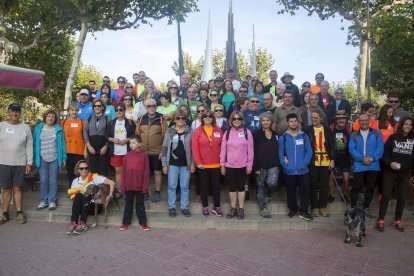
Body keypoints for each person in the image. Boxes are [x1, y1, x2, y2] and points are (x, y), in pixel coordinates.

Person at [377, 117, 414, 232]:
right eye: (405, 124)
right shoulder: (393, 138)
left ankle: (397, 220)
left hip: (405, 173)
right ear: (401, 125)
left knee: (402, 197)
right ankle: (381, 220)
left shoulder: (413, 139)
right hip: (390, 171)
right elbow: (384, 155)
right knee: (386, 195)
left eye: (410, 125)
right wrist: (390, 163)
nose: (407, 126)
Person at [0, 103, 33, 225]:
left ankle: (19, 213)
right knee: (6, 189)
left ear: (20, 113)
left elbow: (29, 145)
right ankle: (5, 213)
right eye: (12, 111)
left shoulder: (25, 127)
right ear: (8, 112)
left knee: (18, 188)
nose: (15, 114)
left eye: (17, 111)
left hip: (20, 162)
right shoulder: (1, 126)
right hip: (3, 162)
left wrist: (29, 162)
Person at [349, 114, 384, 218]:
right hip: (359, 164)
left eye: (365, 120)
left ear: (369, 121)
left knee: (370, 187)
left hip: (373, 165)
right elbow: (351, 149)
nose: (363, 122)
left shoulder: (377, 133)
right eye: (361, 121)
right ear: (358, 122)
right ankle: (353, 207)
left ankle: (366, 207)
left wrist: (371, 158)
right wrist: (362, 158)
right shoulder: (354, 134)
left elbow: (380, 148)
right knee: (356, 186)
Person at [279, 113, 313, 221]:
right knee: (290, 191)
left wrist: (304, 163)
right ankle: (293, 209)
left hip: (303, 170)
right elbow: (280, 153)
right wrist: (285, 165)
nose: (293, 123)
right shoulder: (283, 137)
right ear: (288, 123)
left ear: (298, 122)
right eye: (291, 121)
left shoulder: (303, 136)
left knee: (304, 191)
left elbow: (309, 151)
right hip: (289, 170)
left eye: (295, 121)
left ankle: (303, 211)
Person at [66, 160, 115, 235]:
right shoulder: (75, 181)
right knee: (79, 195)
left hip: (93, 206)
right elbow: (73, 198)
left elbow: (112, 183)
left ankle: (83, 224)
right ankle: (74, 222)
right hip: (80, 209)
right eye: (81, 168)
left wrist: (110, 195)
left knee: (87, 194)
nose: (84, 170)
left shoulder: (94, 177)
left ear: (88, 169)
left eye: (86, 168)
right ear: (78, 170)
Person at [220, 111, 254, 219]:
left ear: (242, 120)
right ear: (231, 121)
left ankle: (241, 209)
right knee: (232, 188)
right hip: (230, 165)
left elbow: (251, 150)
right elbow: (223, 150)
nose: (236, 120)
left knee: (241, 188)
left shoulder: (247, 132)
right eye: (234, 119)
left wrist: (250, 165)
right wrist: (222, 165)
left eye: (238, 118)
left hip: (243, 165)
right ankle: (233, 208)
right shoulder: (227, 133)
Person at [162, 111, 195, 218]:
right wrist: (164, 164)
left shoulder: (190, 131)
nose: (180, 120)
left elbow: (193, 149)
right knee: (172, 186)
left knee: (184, 186)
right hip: (172, 163)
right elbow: (165, 147)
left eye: (183, 118)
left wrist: (193, 164)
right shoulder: (170, 130)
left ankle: (184, 207)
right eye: (178, 118)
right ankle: (172, 207)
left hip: (186, 163)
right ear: (174, 119)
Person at [192, 110, 224, 217]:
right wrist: (198, 162)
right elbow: (195, 148)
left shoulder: (218, 130)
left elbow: (223, 147)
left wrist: (222, 162)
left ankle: (217, 207)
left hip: (216, 163)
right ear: (202, 118)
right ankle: (205, 207)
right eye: (205, 116)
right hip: (203, 165)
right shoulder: (198, 131)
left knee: (216, 186)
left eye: (210, 116)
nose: (208, 118)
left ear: (213, 118)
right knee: (204, 186)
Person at [33, 109, 67, 211]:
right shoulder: (38, 128)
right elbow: (35, 144)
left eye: (52, 116)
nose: (50, 118)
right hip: (42, 158)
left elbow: (62, 145)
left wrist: (64, 158)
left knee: (53, 180)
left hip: (55, 158)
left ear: (55, 118)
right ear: (45, 117)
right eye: (48, 116)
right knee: (43, 181)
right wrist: (34, 157)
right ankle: (44, 200)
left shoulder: (58, 129)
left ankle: (52, 201)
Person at [136, 99, 168, 203]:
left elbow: (166, 137)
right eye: (149, 106)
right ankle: (145, 192)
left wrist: (162, 151)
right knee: (144, 173)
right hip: (143, 152)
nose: (151, 107)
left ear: (156, 106)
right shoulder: (141, 119)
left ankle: (157, 193)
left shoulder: (161, 119)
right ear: (145, 107)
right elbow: (137, 135)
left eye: (153, 105)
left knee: (157, 173)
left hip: (157, 151)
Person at [306, 110, 335, 217]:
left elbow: (332, 146)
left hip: (325, 160)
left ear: (321, 118)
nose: (313, 119)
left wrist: (332, 160)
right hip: (312, 161)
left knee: (324, 185)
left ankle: (322, 207)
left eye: (316, 117)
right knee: (312, 185)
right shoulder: (308, 130)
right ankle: (314, 207)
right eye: (312, 117)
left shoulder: (326, 130)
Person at [118, 135, 150, 231]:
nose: (131, 145)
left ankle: (143, 223)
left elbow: (146, 172)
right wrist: (123, 187)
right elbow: (123, 173)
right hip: (128, 186)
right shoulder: (127, 156)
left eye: (133, 143)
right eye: (130, 143)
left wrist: (145, 187)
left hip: (139, 186)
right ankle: (126, 223)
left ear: (139, 144)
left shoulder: (144, 156)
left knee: (140, 205)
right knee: (128, 204)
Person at [253, 112, 280, 218]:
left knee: (272, 183)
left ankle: (268, 195)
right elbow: (253, 151)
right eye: (263, 120)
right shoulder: (256, 134)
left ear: (271, 121)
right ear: (260, 122)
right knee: (260, 185)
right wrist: (255, 167)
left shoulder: (276, 134)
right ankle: (263, 208)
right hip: (260, 165)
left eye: (267, 120)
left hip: (274, 164)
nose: (265, 122)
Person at [108, 103, 136, 193]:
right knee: (118, 172)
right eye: (117, 110)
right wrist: (112, 139)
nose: (118, 111)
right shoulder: (111, 122)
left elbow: (135, 136)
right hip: (115, 151)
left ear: (124, 111)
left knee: (128, 171)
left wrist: (127, 140)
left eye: (121, 109)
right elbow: (106, 136)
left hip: (127, 151)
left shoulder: (130, 122)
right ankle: (120, 190)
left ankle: (128, 188)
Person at [329, 110, 352, 204]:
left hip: (345, 157)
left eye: (343, 118)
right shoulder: (331, 128)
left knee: (346, 179)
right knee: (329, 177)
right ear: (336, 120)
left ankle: (345, 195)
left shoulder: (349, 128)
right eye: (339, 118)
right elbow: (329, 144)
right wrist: (331, 159)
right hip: (333, 157)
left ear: (346, 120)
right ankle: (331, 195)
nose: (341, 120)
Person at [61, 103, 86, 189]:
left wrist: (85, 150)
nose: (74, 112)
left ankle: (79, 190)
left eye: (76, 110)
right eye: (72, 110)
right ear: (68, 112)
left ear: (78, 111)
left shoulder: (82, 122)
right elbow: (61, 138)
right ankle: (71, 189)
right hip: (67, 150)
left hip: (79, 150)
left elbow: (85, 137)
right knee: (70, 171)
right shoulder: (64, 122)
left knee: (79, 171)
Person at [83, 99, 110, 176]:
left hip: (103, 146)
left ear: (102, 107)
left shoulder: (107, 118)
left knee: (103, 169)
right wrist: (88, 146)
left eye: (99, 106)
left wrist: (106, 146)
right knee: (94, 170)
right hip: (92, 146)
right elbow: (85, 133)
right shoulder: (89, 118)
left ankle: (103, 187)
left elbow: (110, 133)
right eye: (95, 106)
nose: (97, 107)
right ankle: (95, 187)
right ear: (93, 107)